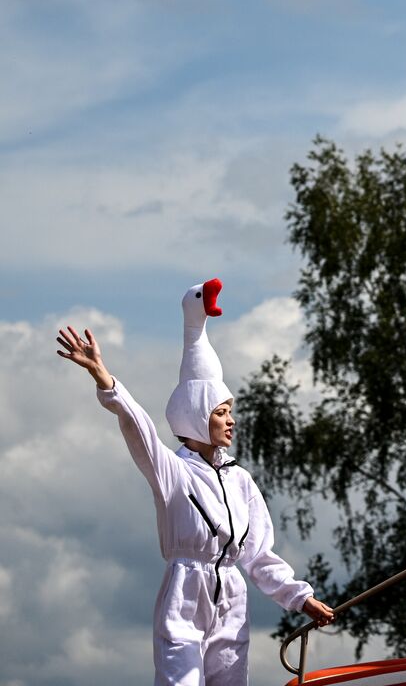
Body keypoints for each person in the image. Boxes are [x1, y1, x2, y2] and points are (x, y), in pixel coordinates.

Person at [54, 279, 334, 686]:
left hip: (232, 600)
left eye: (230, 411)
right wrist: (103, 376)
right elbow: (138, 427)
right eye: (221, 413)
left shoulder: (240, 480)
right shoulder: (172, 470)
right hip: (185, 595)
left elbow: (258, 555)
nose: (231, 421)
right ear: (196, 416)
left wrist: (300, 598)